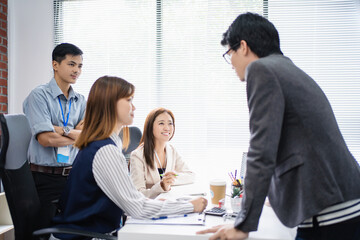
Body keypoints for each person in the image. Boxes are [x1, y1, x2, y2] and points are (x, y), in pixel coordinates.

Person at [197, 12, 360, 240]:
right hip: (344, 203)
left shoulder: (261, 70)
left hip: (327, 212)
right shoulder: (288, 69)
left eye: (229, 53)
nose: (231, 62)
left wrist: (242, 225)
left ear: (243, 46)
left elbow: (262, 150)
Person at [51, 76, 207, 239]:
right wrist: (189, 206)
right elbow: (137, 209)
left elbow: (129, 199)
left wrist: (163, 203)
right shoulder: (105, 150)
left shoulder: (100, 144)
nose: (134, 106)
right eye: (129, 100)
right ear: (111, 104)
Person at [23, 43, 86, 229]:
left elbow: (87, 136)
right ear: (55, 65)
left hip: (72, 175)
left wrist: (60, 129)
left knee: (73, 230)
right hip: (43, 179)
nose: (77, 70)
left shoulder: (80, 100)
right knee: (42, 232)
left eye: (80, 66)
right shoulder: (39, 96)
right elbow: (46, 139)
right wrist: (76, 134)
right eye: (72, 64)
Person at [130, 107, 195, 199]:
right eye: (161, 123)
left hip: (167, 202)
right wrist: (161, 186)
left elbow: (191, 175)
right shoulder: (137, 155)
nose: (167, 128)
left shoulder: (172, 150)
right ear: (150, 126)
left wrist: (170, 180)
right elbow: (138, 195)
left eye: (170, 123)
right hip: (149, 207)